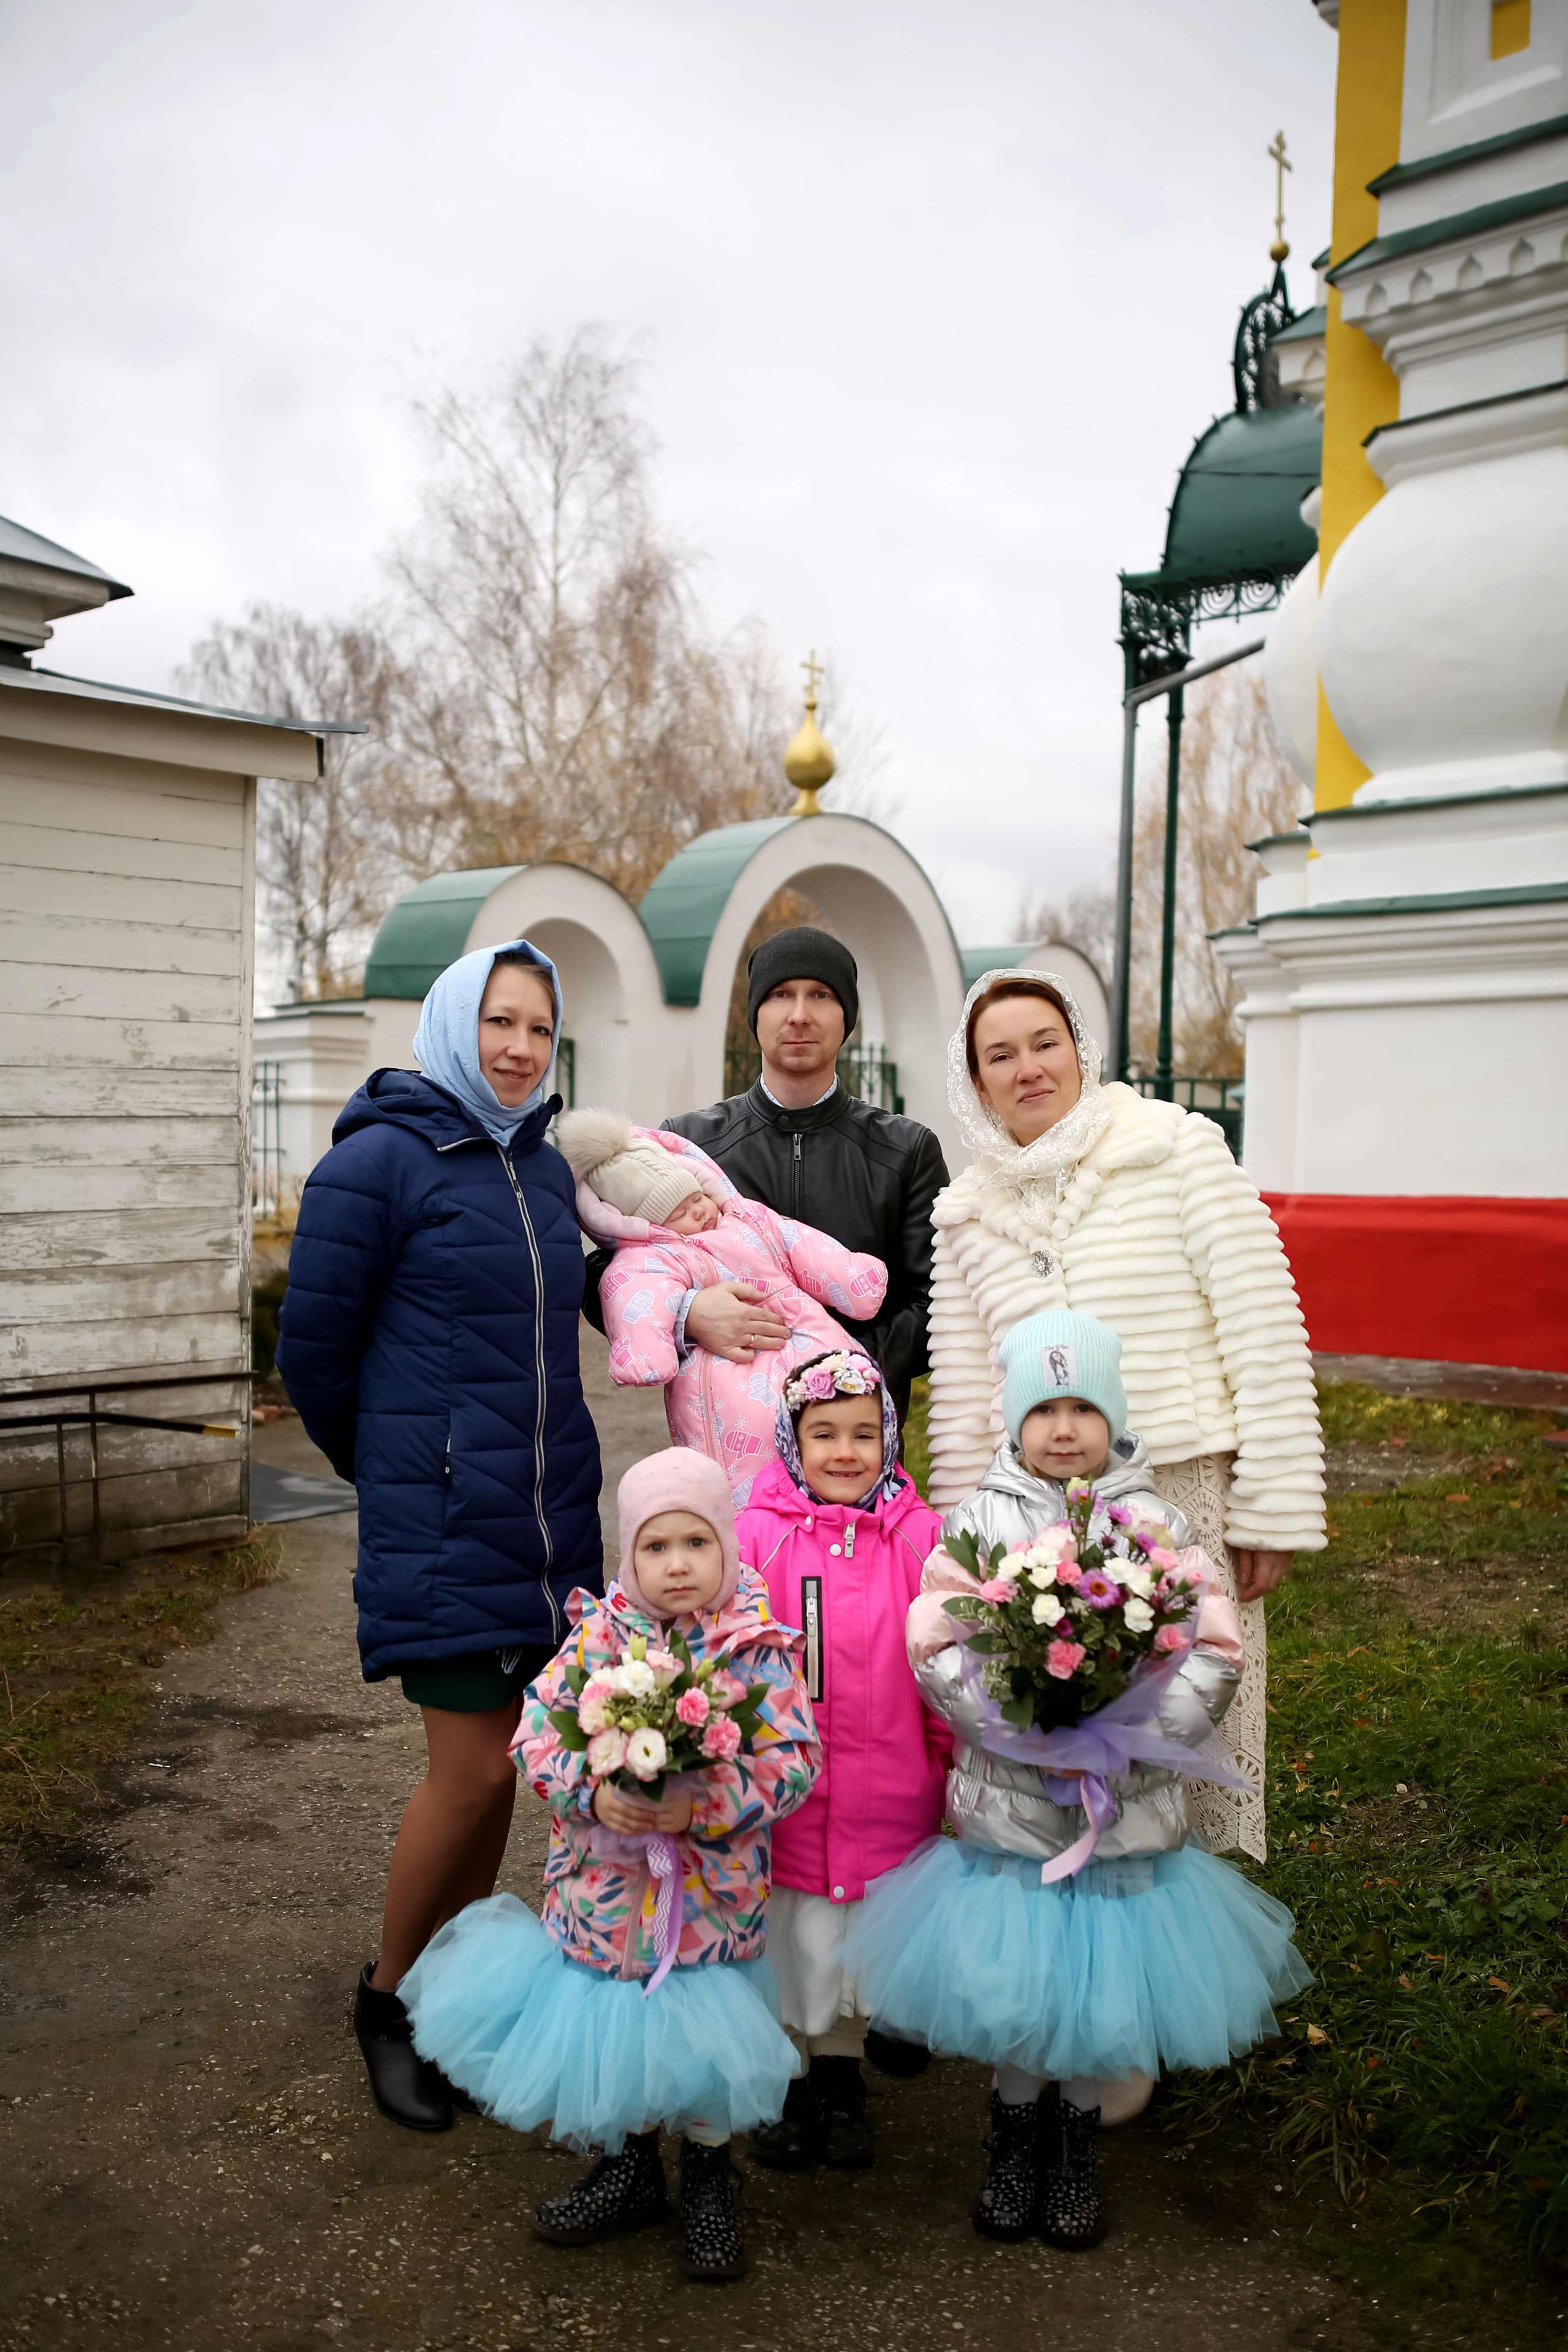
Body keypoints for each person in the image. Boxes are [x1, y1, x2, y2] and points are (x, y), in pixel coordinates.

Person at [848, 1306, 1311, 2248]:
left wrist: (1130, 1733)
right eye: (1044, 1409)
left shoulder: (1158, 1522)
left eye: (1083, 1408)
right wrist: (1027, 1733)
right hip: (1015, 1807)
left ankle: (1074, 2150)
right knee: (1021, 1996)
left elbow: (1212, 1649)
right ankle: (1013, 2143)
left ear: (1115, 1416)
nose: (1065, 1429)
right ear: (1014, 1422)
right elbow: (938, 1642)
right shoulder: (978, 1522)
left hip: (1125, 1808)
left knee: (1100, 1996)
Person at [276, 940, 603, 2135]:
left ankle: (457, 2000)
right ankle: (389, 1999)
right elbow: (311, 1353)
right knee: (464, 1772)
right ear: (455, 1024)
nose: (518, 1048)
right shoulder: (380, 1161)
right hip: (449, 1519)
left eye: (537, 1028)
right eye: (498, 1022)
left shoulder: (541, 1165)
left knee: (509, 1769)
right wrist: (406, 1470)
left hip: (550, 1526)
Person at [924, 968, 1326, 1860]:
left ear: (1078, 1049)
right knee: (1055, 1734)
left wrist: (1274, 1502)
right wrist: (964, 1545)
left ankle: (1186, 1934)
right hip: (1031, 1518)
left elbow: (1261, 1324)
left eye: (1044, 1043)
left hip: (1178, 1493)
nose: (1028, 1068)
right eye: (1001, 1054)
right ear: (977, 1080)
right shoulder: (964, 1212)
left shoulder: (1174, 1148)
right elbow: (959, 1394)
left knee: (1187, 1722)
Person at [399, 1451, 821, 2282]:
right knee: (620, 2038)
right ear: (631, 1554)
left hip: (710, 1900)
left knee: (702, 2045)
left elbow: (794, 1764)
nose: (676, 1564)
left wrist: (698, 1807)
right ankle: (629, 2169)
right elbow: (537, 1734)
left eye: (696, 1542)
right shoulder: (597, 1637)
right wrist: (594, 1794)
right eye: (656, 1545)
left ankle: (707, 2176)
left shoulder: (759, 1647)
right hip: (606, 1896)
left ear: (726, 1550)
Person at [587, 927, 948, 1429]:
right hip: (727, 1453)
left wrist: (832, 1372)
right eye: (781, 994)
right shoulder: (686, 1147)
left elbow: (934, 1306)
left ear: (847, 1018)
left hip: (858, 1453)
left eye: (821, 995)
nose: (799, 1014)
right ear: (755, 1014)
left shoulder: (906, 1151)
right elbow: (606, 1272)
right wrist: (687, 1314)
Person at [733, 1348, 949, 2171]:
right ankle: (787, 2081)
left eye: (865, 1434)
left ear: (890, 1441)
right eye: (824, 1434)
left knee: (859, 1947)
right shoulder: (758, 1538)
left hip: (891, 1787)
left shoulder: (920, 1538)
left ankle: (841, 2080)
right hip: (787, 1799)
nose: (846, 1453)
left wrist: (943, 1763)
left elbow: (943, 1662)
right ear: (792, 1443)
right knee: (791, 1940)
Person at [557, 1108, 888, 1504]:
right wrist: (648, 1351)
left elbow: (799, 1243)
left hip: (809, 1335)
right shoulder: (651, 1258)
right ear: (647, 1225)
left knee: (847, 1436)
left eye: (697, 1198)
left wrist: (854, 1277)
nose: (698, 1211)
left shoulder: (747, 1217)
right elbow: (629, 1295)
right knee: (749, 1464)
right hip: (729, 1370)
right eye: (678, 1212)